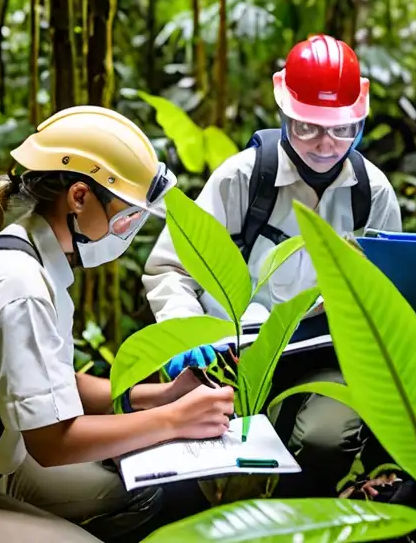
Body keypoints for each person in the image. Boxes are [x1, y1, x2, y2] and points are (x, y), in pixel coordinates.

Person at [0, 106, 234, 543]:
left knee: (148, 493)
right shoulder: (18, 283)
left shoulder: (34, 258)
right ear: (79, 197)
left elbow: (50, 381)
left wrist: (159, 396)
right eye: (127, 215)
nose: (129, 228)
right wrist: (174, 420)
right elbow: (53, 441)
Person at [143, 34, 402, 496]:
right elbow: (170, 268)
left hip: (324, 357)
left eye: (342, 129)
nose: (325, 144)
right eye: (307, 127)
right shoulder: (242, 179)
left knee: (325, 440)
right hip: (230, 356)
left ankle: (300, 512)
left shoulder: (372, 193)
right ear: (284, 113)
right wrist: (184, 332)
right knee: (204, 473)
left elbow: (385, 292)